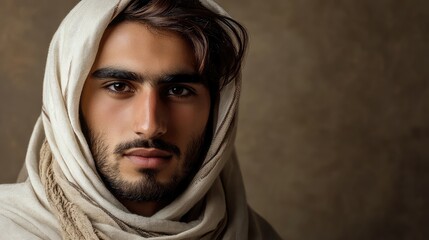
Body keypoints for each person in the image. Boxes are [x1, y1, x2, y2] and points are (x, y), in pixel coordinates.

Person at [0, 0, 280, 239]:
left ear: (218, 111)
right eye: (119, 86)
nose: (150, 125)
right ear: (68, 103)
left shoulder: (256, 234)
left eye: (178, 90)